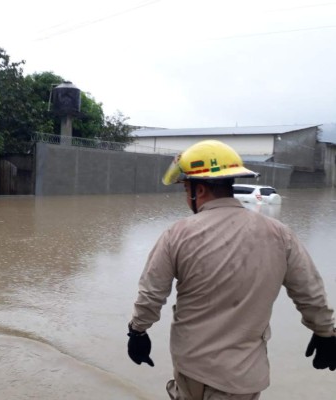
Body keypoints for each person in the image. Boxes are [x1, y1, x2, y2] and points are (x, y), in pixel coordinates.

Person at [127, 140, 336, 400]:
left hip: (193, 370)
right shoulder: (280, 234)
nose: (185, 197)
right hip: (244, 377)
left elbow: (151, 293)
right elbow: (310, 291)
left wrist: (138, 330)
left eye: (186, 190)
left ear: (199, 189)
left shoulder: (177, 234)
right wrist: (325, 332)